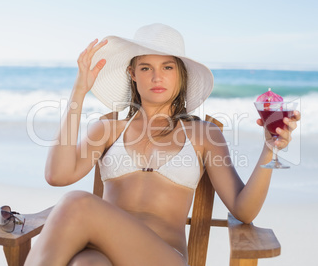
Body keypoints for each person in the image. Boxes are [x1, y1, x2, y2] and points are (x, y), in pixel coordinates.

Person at [25, 23, 300, 266]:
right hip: (102, 251)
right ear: (133, 73)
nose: (157, 77)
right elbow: (57, 175)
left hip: (163, 257)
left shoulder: (203, 135)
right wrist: (79, 91)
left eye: (167, 67)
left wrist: (270, 148)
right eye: (146, 68)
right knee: (85, 263)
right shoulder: (108, 129)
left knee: (77, 202)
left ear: (180, 75)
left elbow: (243, 209)